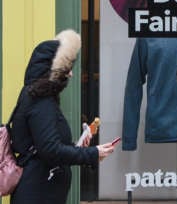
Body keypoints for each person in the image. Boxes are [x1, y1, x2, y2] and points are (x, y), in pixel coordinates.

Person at [9, 29, 114, 204]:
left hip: (41, 189)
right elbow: (50, 150)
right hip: (39, 192)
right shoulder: (40, 100)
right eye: (67, 67)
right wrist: (91, 154)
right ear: (54, 68)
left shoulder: (39, 96)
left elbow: (45, 144)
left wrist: (78, 147)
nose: (71, 74)